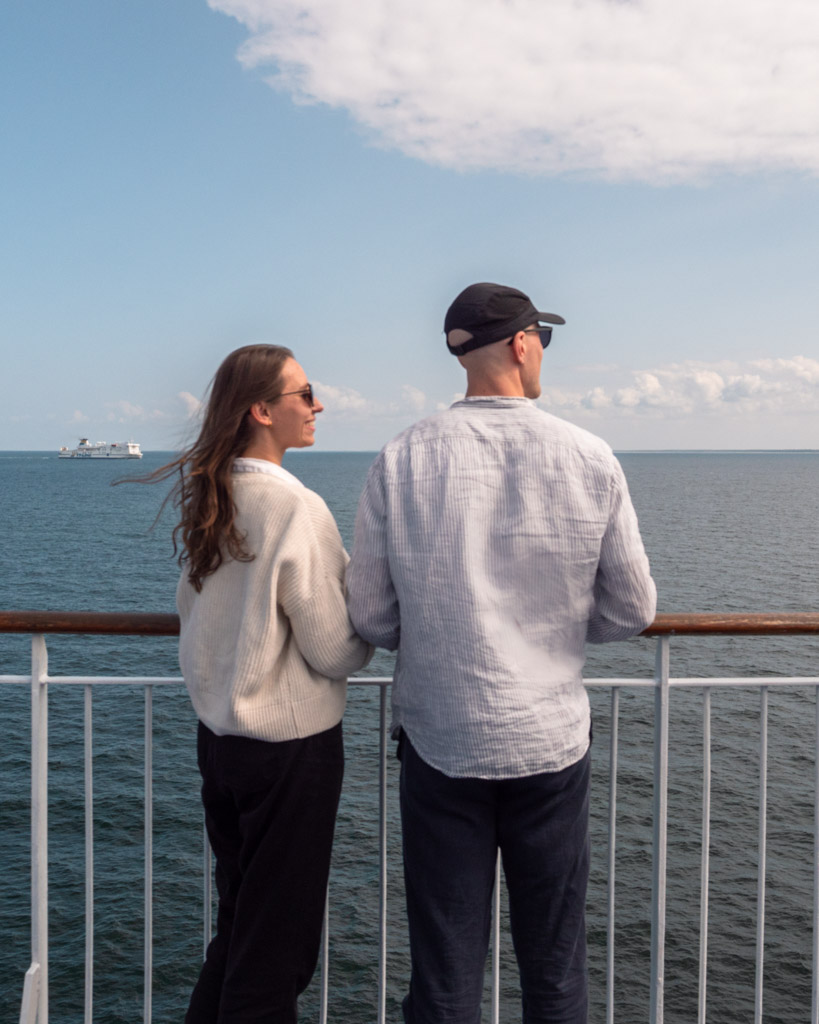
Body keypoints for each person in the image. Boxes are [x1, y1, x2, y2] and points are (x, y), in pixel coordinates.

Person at [346, 282, 656, 1023]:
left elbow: (371, 614)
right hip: (546, 742)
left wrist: (438, 635)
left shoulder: (401, 456)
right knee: (552, 966)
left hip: (439, 738)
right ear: (522, 344)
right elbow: (632, 607)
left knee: (445, 971)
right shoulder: (587, 455)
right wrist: (548, 634)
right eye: (541, 338)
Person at [152, 344, 372, 1023]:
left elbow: (196, 618)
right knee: (278, 951)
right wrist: (368, 615)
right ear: (262, 410)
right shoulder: (294, 508)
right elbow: (333, 650)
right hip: (288, 751)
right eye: (304, 393)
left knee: (240, 925)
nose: (317, 404)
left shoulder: (212, 496)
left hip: (221, 743)